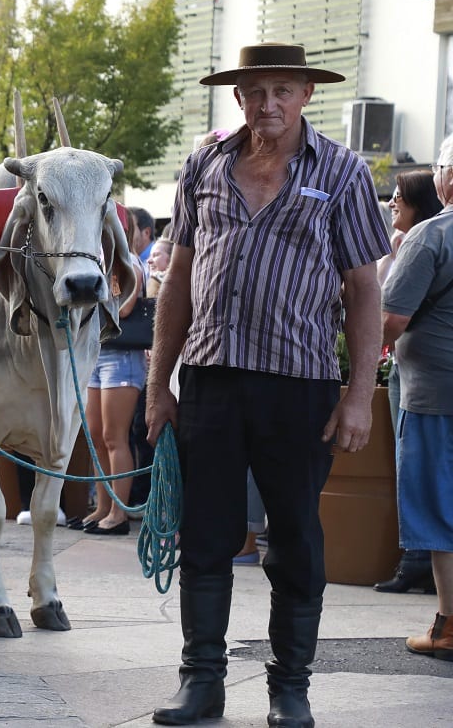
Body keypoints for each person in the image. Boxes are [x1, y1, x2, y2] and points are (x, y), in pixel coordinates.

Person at [145, 43, 389, 727]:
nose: (269, 103)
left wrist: (358, 393)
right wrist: (158, 383)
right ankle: (202, 681)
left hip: (301, 385)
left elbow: (364, 289)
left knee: (296, 540)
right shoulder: (205, 166)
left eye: (283, 89)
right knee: (205, 534)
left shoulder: (341, 171)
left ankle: (291, 688)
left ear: (307, 94)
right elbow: (179, 278)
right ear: (238, 98)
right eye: (256, 91)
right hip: (212, 378)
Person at [381, 133, 453, 661]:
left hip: (436, 397)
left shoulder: (433, 235)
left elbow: (390, 319)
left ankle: (448, 626)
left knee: (438, 511)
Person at [375, 168, 442, 594]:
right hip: (409, 367)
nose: (392, 202)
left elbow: (392, 316)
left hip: (422, 377)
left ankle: (417, 560)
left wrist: (366, 357)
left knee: (418, 468)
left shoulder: (426, 239)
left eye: (399, 195)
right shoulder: (405, 241)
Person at [77, 203, 145, 537]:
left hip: (121, 357)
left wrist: (103, 287)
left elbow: (124, 305)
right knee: (96, 436)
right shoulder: (95, 262)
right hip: (98, 355)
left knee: (114, 437)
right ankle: (103, 506)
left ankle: (119, 512)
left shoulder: (126, 263)